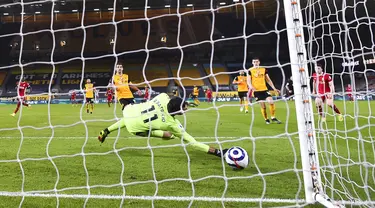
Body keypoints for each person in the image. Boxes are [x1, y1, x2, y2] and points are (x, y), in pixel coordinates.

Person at [98, 93, 228, 158]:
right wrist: (218, 152)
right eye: (183, 109)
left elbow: (172, 98)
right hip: (135, 129)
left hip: (129, 110)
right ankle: (219, 153)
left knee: (130, 119)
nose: (186, 110)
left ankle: (106, 130)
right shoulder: (172, 124)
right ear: (177, 112)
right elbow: (193, 143)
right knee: (169, 135)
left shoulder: (162, 96)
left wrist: (182, 102)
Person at [249, 57, 281, 124]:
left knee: (271, 101)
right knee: (263, 106)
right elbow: (248, 81)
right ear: (252, 63)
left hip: (264, 89)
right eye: (254, 62)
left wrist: (274, 88)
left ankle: (273, 117)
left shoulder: (263, 69)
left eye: (257, 62)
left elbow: (268, 80)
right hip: (256, 91)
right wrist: (252, 87)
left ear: (259, 62)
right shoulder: (250, 70)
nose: (255, 63)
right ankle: (266, 119)